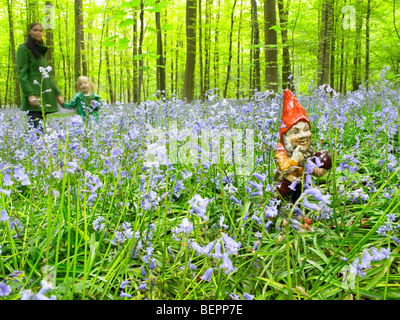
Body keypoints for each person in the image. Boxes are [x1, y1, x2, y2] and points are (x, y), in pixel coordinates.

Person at [274, 89, 332, 225]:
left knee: (298, 198)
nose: (303, 135)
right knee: (280, 195)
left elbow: (313, 168)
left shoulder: (308, 150)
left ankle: (297, 215)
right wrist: (294, 159)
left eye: (306, 130)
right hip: (286, 182)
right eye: (296, 132)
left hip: (301, 183)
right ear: (285, 136)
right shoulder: (281, 149)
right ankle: (274, 215)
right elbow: (283, 168)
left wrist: (323, 166)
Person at [16, 22, 64, 130]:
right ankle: (36, 146)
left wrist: (57, 94)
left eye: (40, 30)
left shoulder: (40, 52)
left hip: (44, 94)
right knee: (36, 130)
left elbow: (47, 76)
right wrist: (29, 95)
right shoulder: (23, 49)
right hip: (34, 93)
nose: (38, 32)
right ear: (29, 32)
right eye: (35, 30)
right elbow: (22, 74)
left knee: (42, 129)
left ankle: (40, 146)